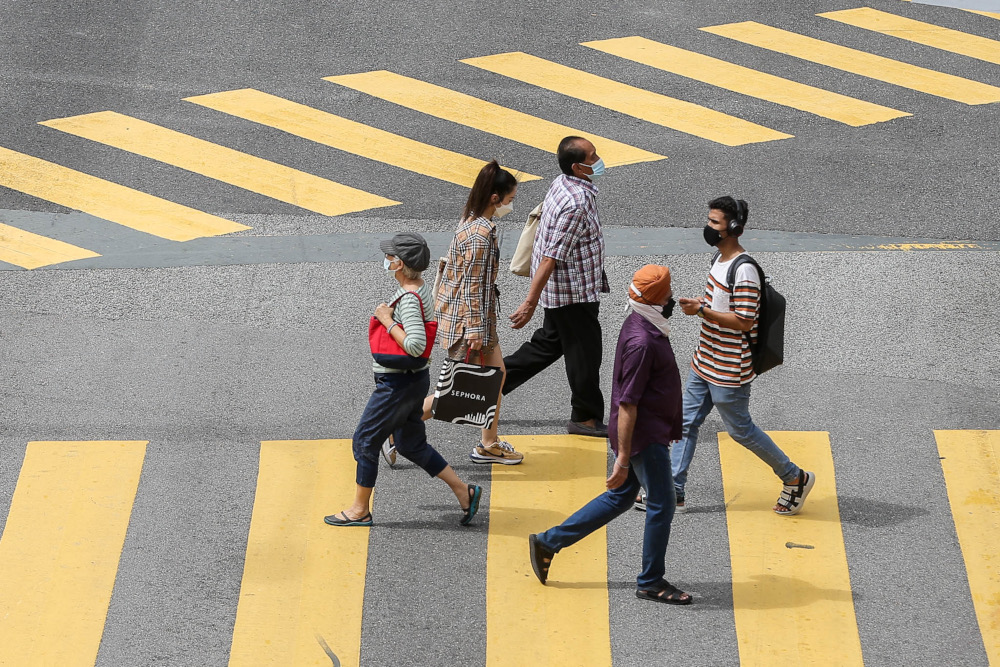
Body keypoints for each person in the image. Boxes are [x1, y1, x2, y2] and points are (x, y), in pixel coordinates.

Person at [528, 265, 692, 605]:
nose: (672, 294)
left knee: (620, 497)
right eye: (669, 289)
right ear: (658, 297)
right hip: (643, 438)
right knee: (662, 504)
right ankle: (651, 581)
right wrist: (621, 457)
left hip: (643, 433)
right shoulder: (643, 342)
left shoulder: (642, 321)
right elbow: (629, 404)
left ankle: (549, 542)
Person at [325, 232, 483, 527]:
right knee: (411, 445)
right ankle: (464, 491)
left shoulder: (409, 300)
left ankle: (360, 510)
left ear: (399, 263)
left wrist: (387, 320)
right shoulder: (420, 288)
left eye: (389, 256)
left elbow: (415, 345)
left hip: (397, 386)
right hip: (413, 382)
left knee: (365, 441)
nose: (385, 260)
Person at [672, 196, 814, 515]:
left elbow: (744, 320)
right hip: (705, 360)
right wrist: (701, 304)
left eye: (714, 223)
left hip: (728, 367)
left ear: (734, 228)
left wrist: (702, 311)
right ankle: (674, 489)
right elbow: (721, 305)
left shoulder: (744, 269)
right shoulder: (718, 261)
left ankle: (795, 478)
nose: (708, 228)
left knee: (740, 431)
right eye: (708, 221)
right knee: (684, 423)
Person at [503, 136, 610, 438]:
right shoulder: (576, 203)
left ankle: (491, 385)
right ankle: (585, 418)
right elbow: (551, 257)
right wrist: (529, 302)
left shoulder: (563, 184)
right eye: (592, 157)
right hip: (572, 293)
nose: (598, 160)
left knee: (547, 346)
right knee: (586, 355)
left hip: (567, 288)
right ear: (577, 167)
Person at [426, 160, 524, 465]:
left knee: (496, 376)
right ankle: (395, 428)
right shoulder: (481, 236)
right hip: (470, 322)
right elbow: (472, 287)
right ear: (495, 198)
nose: (511, 205)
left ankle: (488, 443)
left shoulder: (469, 220)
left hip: (468, 317)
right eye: (509, 200)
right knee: (453, 391)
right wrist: (477, 332)